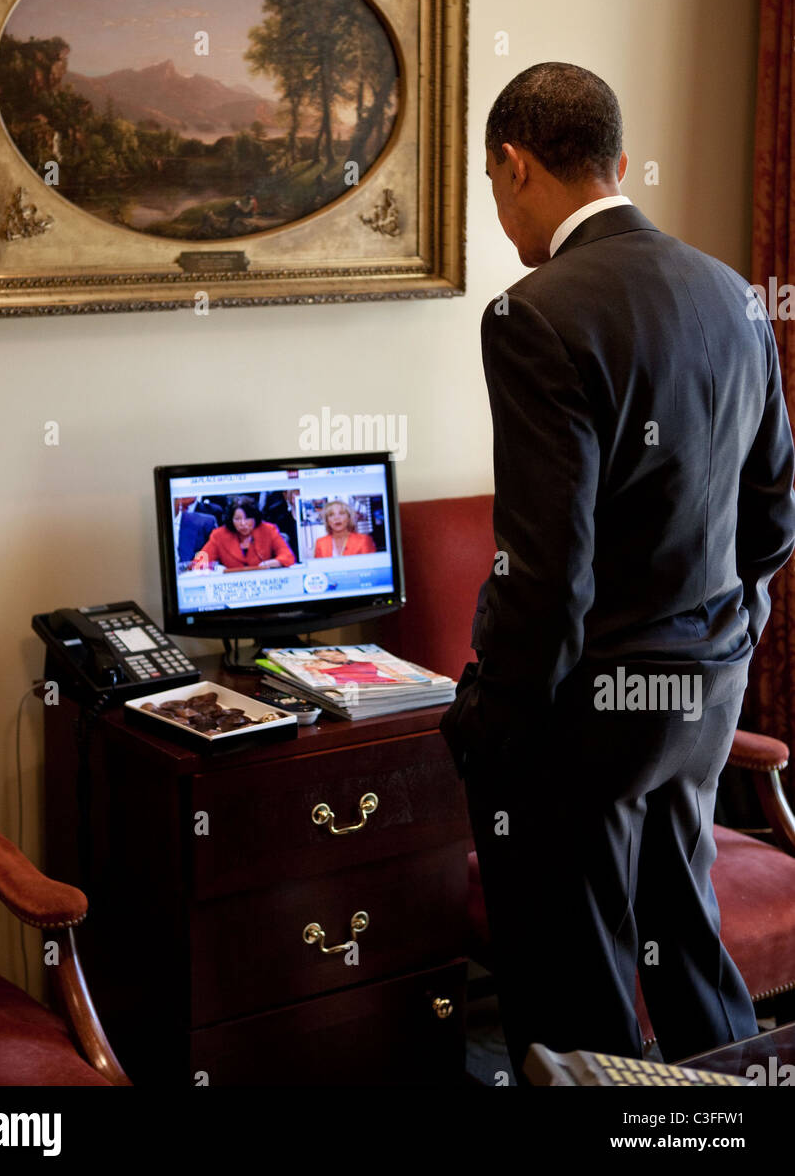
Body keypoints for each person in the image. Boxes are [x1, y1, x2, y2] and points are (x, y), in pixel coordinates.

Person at [439, 62, 795, 1084]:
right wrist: (720, 648)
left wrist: (490, 721)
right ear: (620, 164)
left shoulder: (535, 313)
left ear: (512, 165)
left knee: (575, 998)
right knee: (685, 939)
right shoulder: (731, 290)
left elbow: (546, 577)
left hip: (580, 720)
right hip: (702, 694)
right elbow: (774, 512)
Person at [191, 498, 295, 571]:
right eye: (237, 519)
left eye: (248, 518)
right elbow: (198, 562)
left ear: (255, 517)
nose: (243, 523)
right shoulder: (219, 535)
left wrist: (272, 563)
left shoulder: (269, 530)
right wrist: (216, 568)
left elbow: (287, 556)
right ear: (231, 520)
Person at [312, 501, 377, 558]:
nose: (336, 518)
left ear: (349, 518)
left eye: (342, 513)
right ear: (327, 521)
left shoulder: (363, 540)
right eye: (331, 515)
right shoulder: (320, 543)